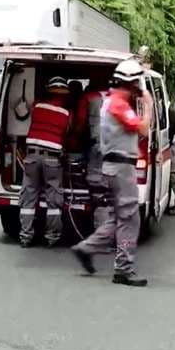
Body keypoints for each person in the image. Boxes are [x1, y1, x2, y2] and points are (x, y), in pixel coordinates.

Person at [72, 59, 153, 287]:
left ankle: (86, 248)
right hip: (121, 167)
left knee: (119, 217)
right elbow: (144, 129)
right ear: (132, 83)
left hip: (113, 166)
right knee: (130, 219)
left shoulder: (109, 101)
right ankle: (123, 269)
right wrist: (148, 105)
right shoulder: (118, 104)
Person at [19, 76, 71, 248]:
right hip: (52, 159)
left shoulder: (37, 106)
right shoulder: (66, 113)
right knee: (53, 200)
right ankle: (52, 237)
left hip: (31, 157)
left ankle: (25, 236)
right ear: (65, 94)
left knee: (28, 197)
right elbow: (68, 135)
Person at [72, 81, 111, 230]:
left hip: (98, 146)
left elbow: (80, 124)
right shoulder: (117, 98)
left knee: (98, 190)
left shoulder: (88, 97)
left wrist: (75, 140)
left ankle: (101, 231)